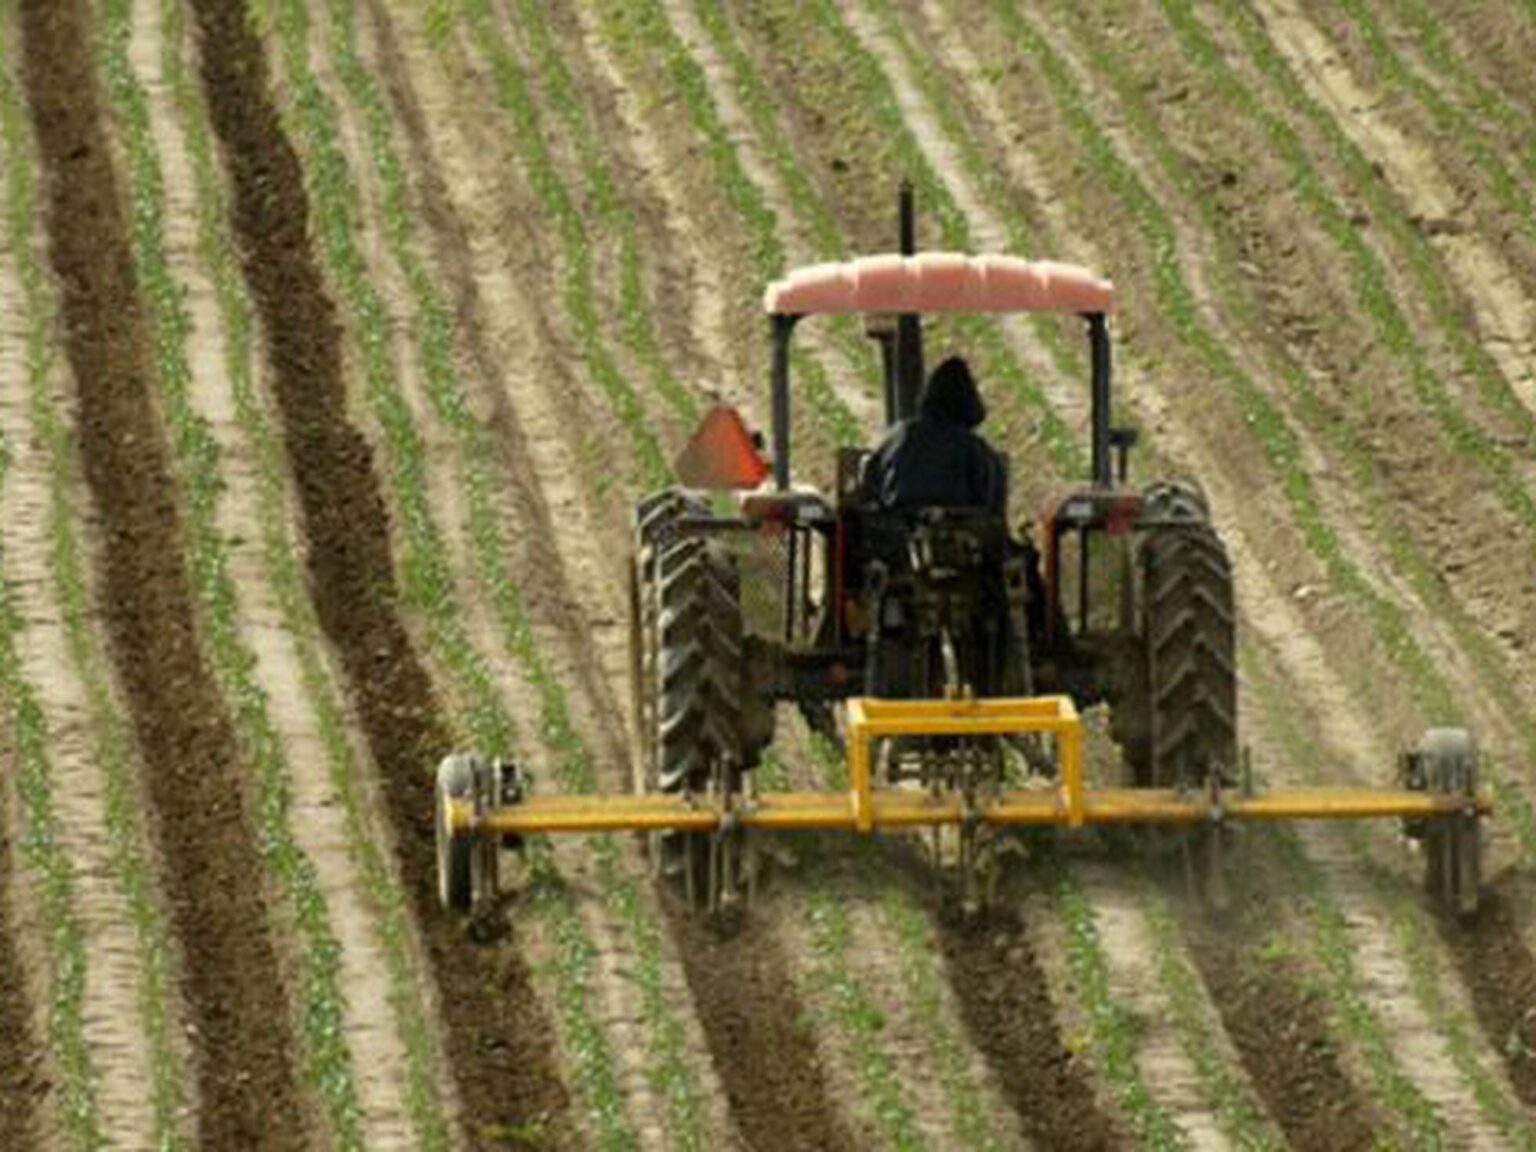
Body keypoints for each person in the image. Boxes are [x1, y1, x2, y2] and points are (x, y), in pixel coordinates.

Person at [861, 355, 1006, 515]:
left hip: (892, 530)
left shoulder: (899, 435)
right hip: (959, 532)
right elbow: (990, 507)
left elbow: (869, 478)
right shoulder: (975, 449)